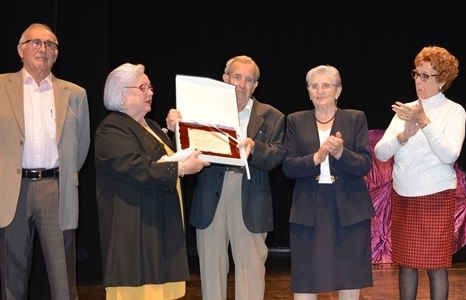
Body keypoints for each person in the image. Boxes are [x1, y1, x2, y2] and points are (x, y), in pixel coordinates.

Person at [166, 55, 286, 300]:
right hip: (211, 195)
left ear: (255, 85)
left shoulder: (273, 116)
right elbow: (182, 150)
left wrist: (256, 148)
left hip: (250, 195)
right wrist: (173, 128)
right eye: (237, 77)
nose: (241, 84)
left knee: (250, 272)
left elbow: (277, 156)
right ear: (225, 79)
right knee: (211, 271)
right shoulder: (201, 110)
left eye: (248, 79)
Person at [95, 63, 210, 299]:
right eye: (142, 87)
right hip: (135, 229)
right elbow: (136, 166)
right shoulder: (112, 128)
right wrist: (180, 168)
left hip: (158, 225)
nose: (151, 92)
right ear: (122, 95)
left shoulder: (152, 126)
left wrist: (178, 132)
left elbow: (161, 155)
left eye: (150, 86)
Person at [0, 23, 90, 300]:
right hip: (12, 193)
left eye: (50, 44)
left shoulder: (75, 94)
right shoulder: (1, 85)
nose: (43, 49)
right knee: (11, 277)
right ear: (20, 49)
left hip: (55, 189)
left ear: (56, 53)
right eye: (35, 43)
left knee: (63, 278)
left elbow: (82, 143)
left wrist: (65, 176)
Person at [374, 46, 464, 300]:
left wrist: (424, 122)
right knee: (406, 264)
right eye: (416, 74)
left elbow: (449, 155)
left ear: (443, 81)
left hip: (436, 196)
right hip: (404, 195)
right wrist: (404, 135)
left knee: (436, 266)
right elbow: (381, 153)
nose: (418, 81)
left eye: (426, 76)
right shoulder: (407, 109)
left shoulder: (453, 111)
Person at [281, 65, 374, 300]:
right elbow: (288, 167)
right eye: (314, 86)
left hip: (349, 209)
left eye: (326, 85)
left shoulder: (355, 118)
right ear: (308, 91)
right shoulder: (295, 120)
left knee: (349, 275)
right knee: (305, 276)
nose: (320, 90)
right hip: (308, 210)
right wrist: (315, 158)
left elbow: (365, 164)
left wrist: (342, 153)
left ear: (338, 91)